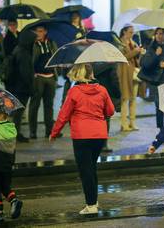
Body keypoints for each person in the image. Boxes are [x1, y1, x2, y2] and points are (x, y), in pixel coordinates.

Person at [49, 63, 115, 214]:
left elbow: (63, 115)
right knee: (91, 167)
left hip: (81, 136)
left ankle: (91, 205)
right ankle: (94, 201)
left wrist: (54, 133)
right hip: (99, 136)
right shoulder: (102, 90)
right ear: (91, 74)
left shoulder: (74, 92)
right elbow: (110, 111)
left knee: (85, 170)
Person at [140, 28, 164, 128]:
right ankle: (162, 129)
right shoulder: (151, 48)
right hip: (156, 81)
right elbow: (146, 64)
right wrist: (156, 55)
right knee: (159, 107)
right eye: (156, 33)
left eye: (161, 33)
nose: (158, 35)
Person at [5, 30, 37, 143]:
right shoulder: (24, 53)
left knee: (17, 112)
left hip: (15, 86)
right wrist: (31, 88)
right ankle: (16, 134)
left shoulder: (18, 49)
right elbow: (25, 73)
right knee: (18, 112)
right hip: (22, 88)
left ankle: (15, 133)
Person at [28, 26, 58, 139]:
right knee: (34, 105)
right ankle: (33, 131)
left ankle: (49, 131)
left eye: (40, 31)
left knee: (49, 105)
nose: (38, 33)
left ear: (45, 32)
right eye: (36, 31)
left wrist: (57, 71)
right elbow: (30, 60)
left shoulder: (51, 43)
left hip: (51, 77)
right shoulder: (33, 44)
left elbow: (56, 56)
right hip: (38, 78)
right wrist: (33, 74)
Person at [118, 25, 144, 131]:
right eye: (130, 32)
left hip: (134, 72)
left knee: (133, 99)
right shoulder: (120, 43)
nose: (131, 34)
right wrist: (135, 52)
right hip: (125, 72)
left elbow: (136, 58)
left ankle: (132, 122)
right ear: (124, 32)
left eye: (132, 32)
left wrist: (140, 52)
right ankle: (124, 124)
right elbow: (122, 57)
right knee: (125, 98)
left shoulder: (133, 43)